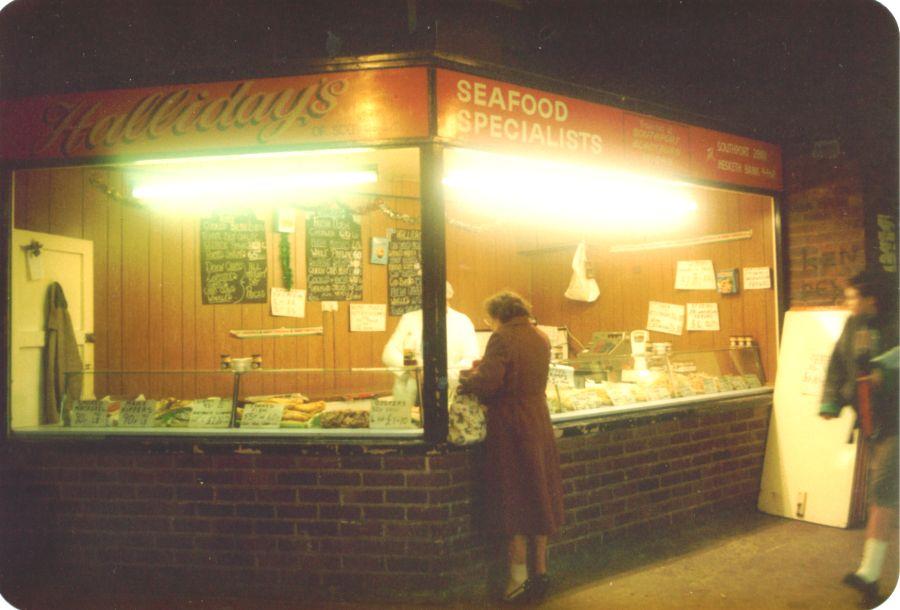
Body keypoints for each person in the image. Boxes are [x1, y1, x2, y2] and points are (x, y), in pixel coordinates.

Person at [458, 291, 564, 604]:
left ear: (497, 315)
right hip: (537, 418)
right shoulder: (540, 337)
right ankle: (541, 572)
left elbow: (489, 381)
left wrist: (467, 380)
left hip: (511, 424)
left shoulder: (502, 337)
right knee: (540, 493)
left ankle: (517, 579)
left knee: (514, 496)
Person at [819, 270, 899, 607]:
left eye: (853, 297)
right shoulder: (853, 325)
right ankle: (869, 572)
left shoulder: (895, 322)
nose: (848, 303)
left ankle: (868, 572)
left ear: (872, 298)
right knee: (883, 491)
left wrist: (886, 366)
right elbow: (838, 363)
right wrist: (831, 399)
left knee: (882, 490)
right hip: (870, 421)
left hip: (896, 420)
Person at [382, 281, 479, 404]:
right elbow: (389, 353)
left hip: (449, 388)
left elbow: (471, 358)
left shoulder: (462, 321)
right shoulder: (409, 318)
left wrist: (442, 378)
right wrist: (417, 367)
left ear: (448, 296)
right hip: (411, 388)